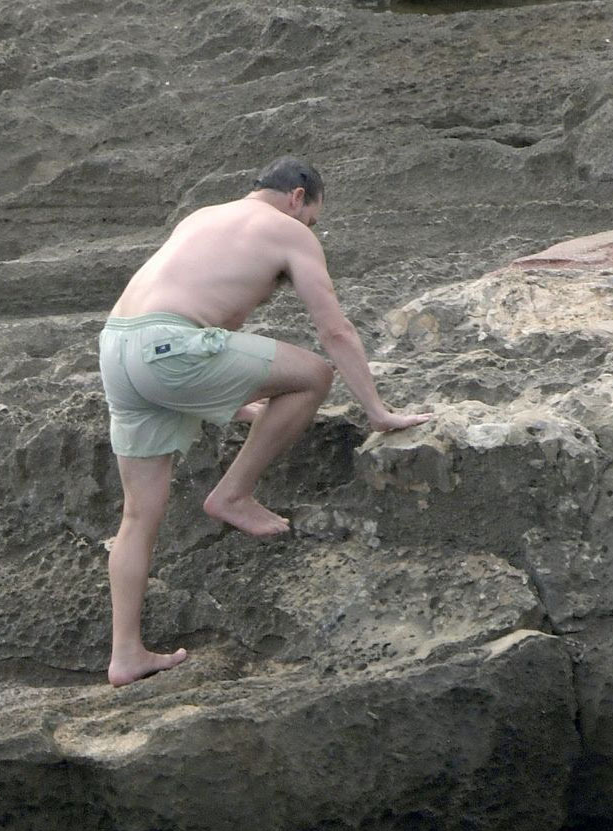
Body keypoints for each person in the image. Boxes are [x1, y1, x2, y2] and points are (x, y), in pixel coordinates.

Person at [99, 155, 431, 687]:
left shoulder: (203, 217)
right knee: (314, 375)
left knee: (138, 517)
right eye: (314, 219)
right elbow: (335, 331)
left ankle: (125, 656)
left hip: (117, 350)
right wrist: (377, 410)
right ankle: (232, 495)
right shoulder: (287, 230)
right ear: (298, 198)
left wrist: (229, 396)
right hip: (169, 349)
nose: (310, 230)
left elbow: (220, 320)